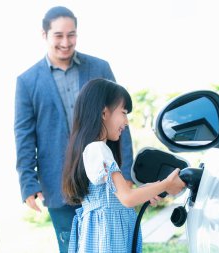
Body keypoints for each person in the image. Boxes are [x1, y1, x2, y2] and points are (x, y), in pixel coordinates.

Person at [14, 6, 134, 252]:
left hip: (105, 178)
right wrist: (28, 182)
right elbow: (24, 135)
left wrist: (128, 171)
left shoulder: (100, 68)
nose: (66, 42)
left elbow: (122, 122)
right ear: (44, 34)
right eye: (58, 35)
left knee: (111, 244)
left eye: (72, 35)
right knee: (71, 246)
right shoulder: (27, 81)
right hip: (59, 180)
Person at [62, 78, 186, 253]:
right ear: (103, 112)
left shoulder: (93, 149)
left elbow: (114, 200)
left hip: (105, 237)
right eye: (123, 112)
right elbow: (127, 197)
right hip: (109, 241)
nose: (126, 122)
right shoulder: (99, 149)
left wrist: (148, 191)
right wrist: (166, 184)